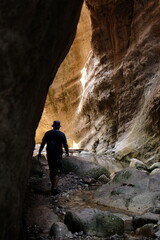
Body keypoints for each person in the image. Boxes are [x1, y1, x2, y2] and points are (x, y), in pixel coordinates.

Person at [38, 120, 69, 195]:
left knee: (52, 170)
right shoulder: (62, 134)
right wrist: (67, 152)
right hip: (58, 155)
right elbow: (65, 144)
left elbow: (43, 143)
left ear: (53, 126)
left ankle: (53, 186)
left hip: (50, 154)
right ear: (59, 127)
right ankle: (54, 188)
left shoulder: (48, 133)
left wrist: (39, 152)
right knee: (58, 170)